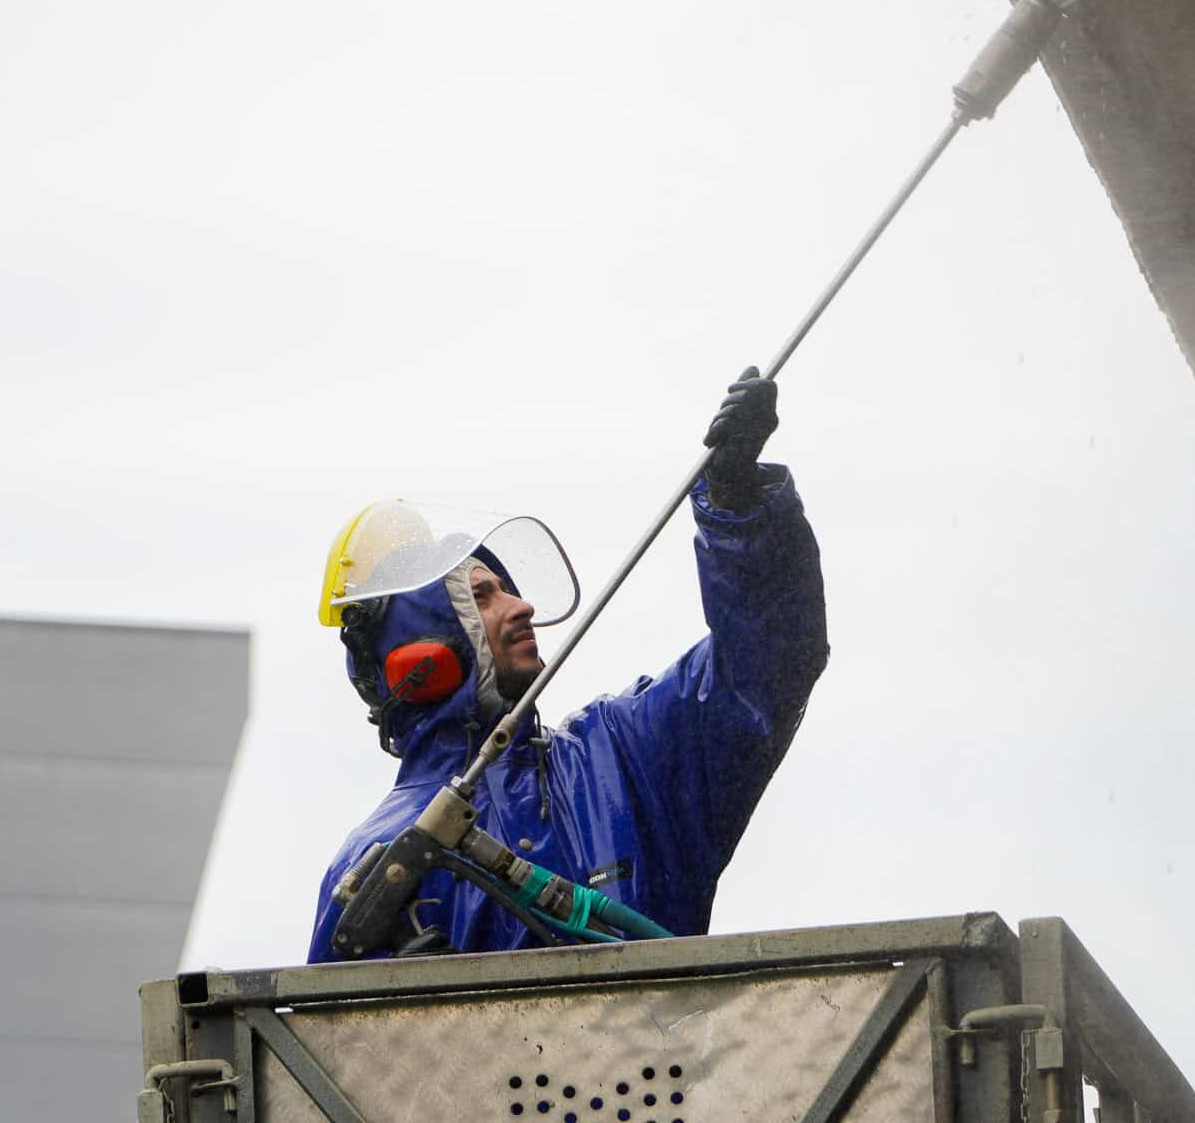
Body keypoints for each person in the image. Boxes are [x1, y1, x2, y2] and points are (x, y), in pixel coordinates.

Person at [306, 367, 829, 962]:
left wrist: (740, 506)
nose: (522, 605)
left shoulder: (621, 755)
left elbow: (771, 663)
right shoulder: (374, 863)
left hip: (666, 1058)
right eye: (482, 597)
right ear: (421, 652)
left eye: (508, 587)